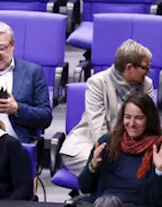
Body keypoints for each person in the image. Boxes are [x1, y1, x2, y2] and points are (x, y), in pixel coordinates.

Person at [59, 39, 154, 177]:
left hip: (133, 145)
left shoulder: (146, 85)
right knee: (108, 166)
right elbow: (99, 130)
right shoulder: (97, 83)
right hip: (91, 142)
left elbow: (149, 122)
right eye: (145, 67)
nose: (149, 71)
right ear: (129, 67)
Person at [77, 92, 162, 207]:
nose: (132, 124)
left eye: (139, 118)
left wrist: (160, 170)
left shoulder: (161, 148)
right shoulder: (107, 142)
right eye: (127, 117)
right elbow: (84, 188)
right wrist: (93, 166)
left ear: (149, 120)